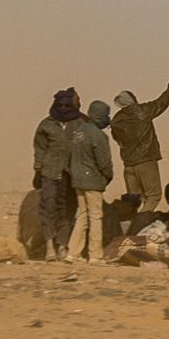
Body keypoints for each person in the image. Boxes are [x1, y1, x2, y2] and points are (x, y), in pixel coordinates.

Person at [32, 88, 84, 261]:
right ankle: (49, 246)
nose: (63, 109)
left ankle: (62, 245)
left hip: (70, 175)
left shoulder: (79, 125)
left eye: (67, 105)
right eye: (60, 105)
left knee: (67, 210)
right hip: (50, 172)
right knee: (49, 206)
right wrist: (38, 169)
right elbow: (40, 148)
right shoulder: (46, 125)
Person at [110, 80, 169, 214]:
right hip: (146, 161)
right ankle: (140, 224)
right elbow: (160, 103)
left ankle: (130, 227)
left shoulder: (116, 120)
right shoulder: (143, 111)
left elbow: (117, 138)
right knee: (153, 196)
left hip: (128, 165)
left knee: (133, 202)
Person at [64, 100, 114, 263]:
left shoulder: (80, 132)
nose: (108, 118)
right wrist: (107, 177)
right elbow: (104, 162)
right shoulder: (98, 135)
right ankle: (95, 255)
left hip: (78, 181)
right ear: (100, 115)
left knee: (82, 216)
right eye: (106, 115)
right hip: (92, 181)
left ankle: (73, 253)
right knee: (95, 217)